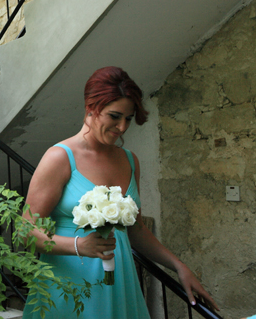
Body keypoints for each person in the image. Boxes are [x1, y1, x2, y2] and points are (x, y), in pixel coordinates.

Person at [22, 66, 219, 318]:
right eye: (115, 116)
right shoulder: (59, 158)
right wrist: (78, 245)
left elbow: (136, 230)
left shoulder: (130, 160)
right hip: (70, 284)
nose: (123, 127)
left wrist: (178, 267)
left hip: (120, 282)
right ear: (90, 108)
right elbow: (25, 233)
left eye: (129, 118)